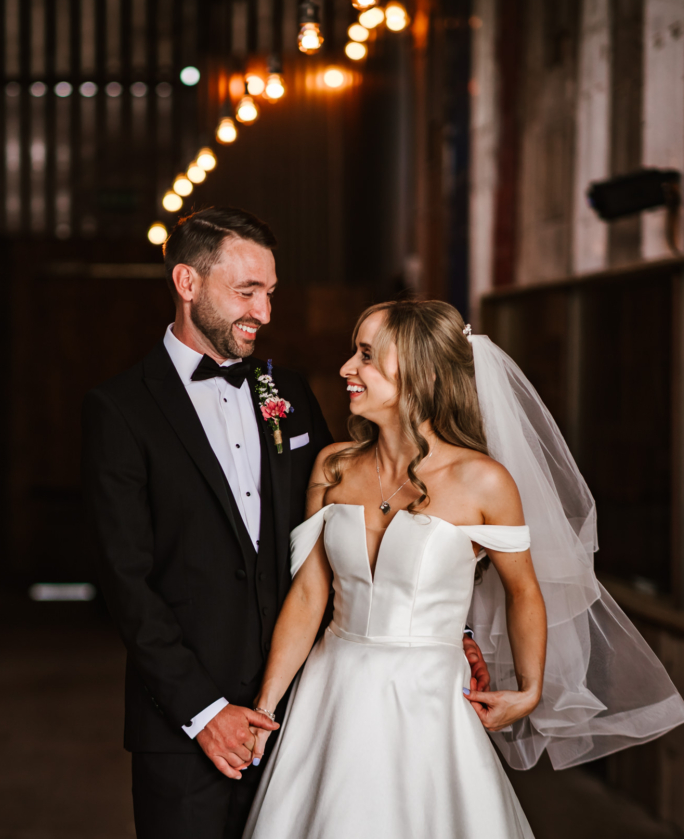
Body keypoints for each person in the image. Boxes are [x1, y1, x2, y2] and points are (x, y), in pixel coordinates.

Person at [82, 211, 492, 839]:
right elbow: (125, 581)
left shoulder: (287, 391)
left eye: (270, 292)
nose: (265, 312)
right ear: (187, 283)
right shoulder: (120, 409)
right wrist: (203, 710)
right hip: (185, 723)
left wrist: (444, 618)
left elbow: (358, 528)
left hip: (309, 711)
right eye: (247, 292)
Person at [242, 300, 684, 838]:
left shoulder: (484, 481)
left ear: (422, 371)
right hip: (329, 693)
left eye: (365, 355)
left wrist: (529, 689)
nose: (346, 369)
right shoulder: (333, 465)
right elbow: (310, 594)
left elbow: (524, 590)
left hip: (428, 701)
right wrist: (266, 707)